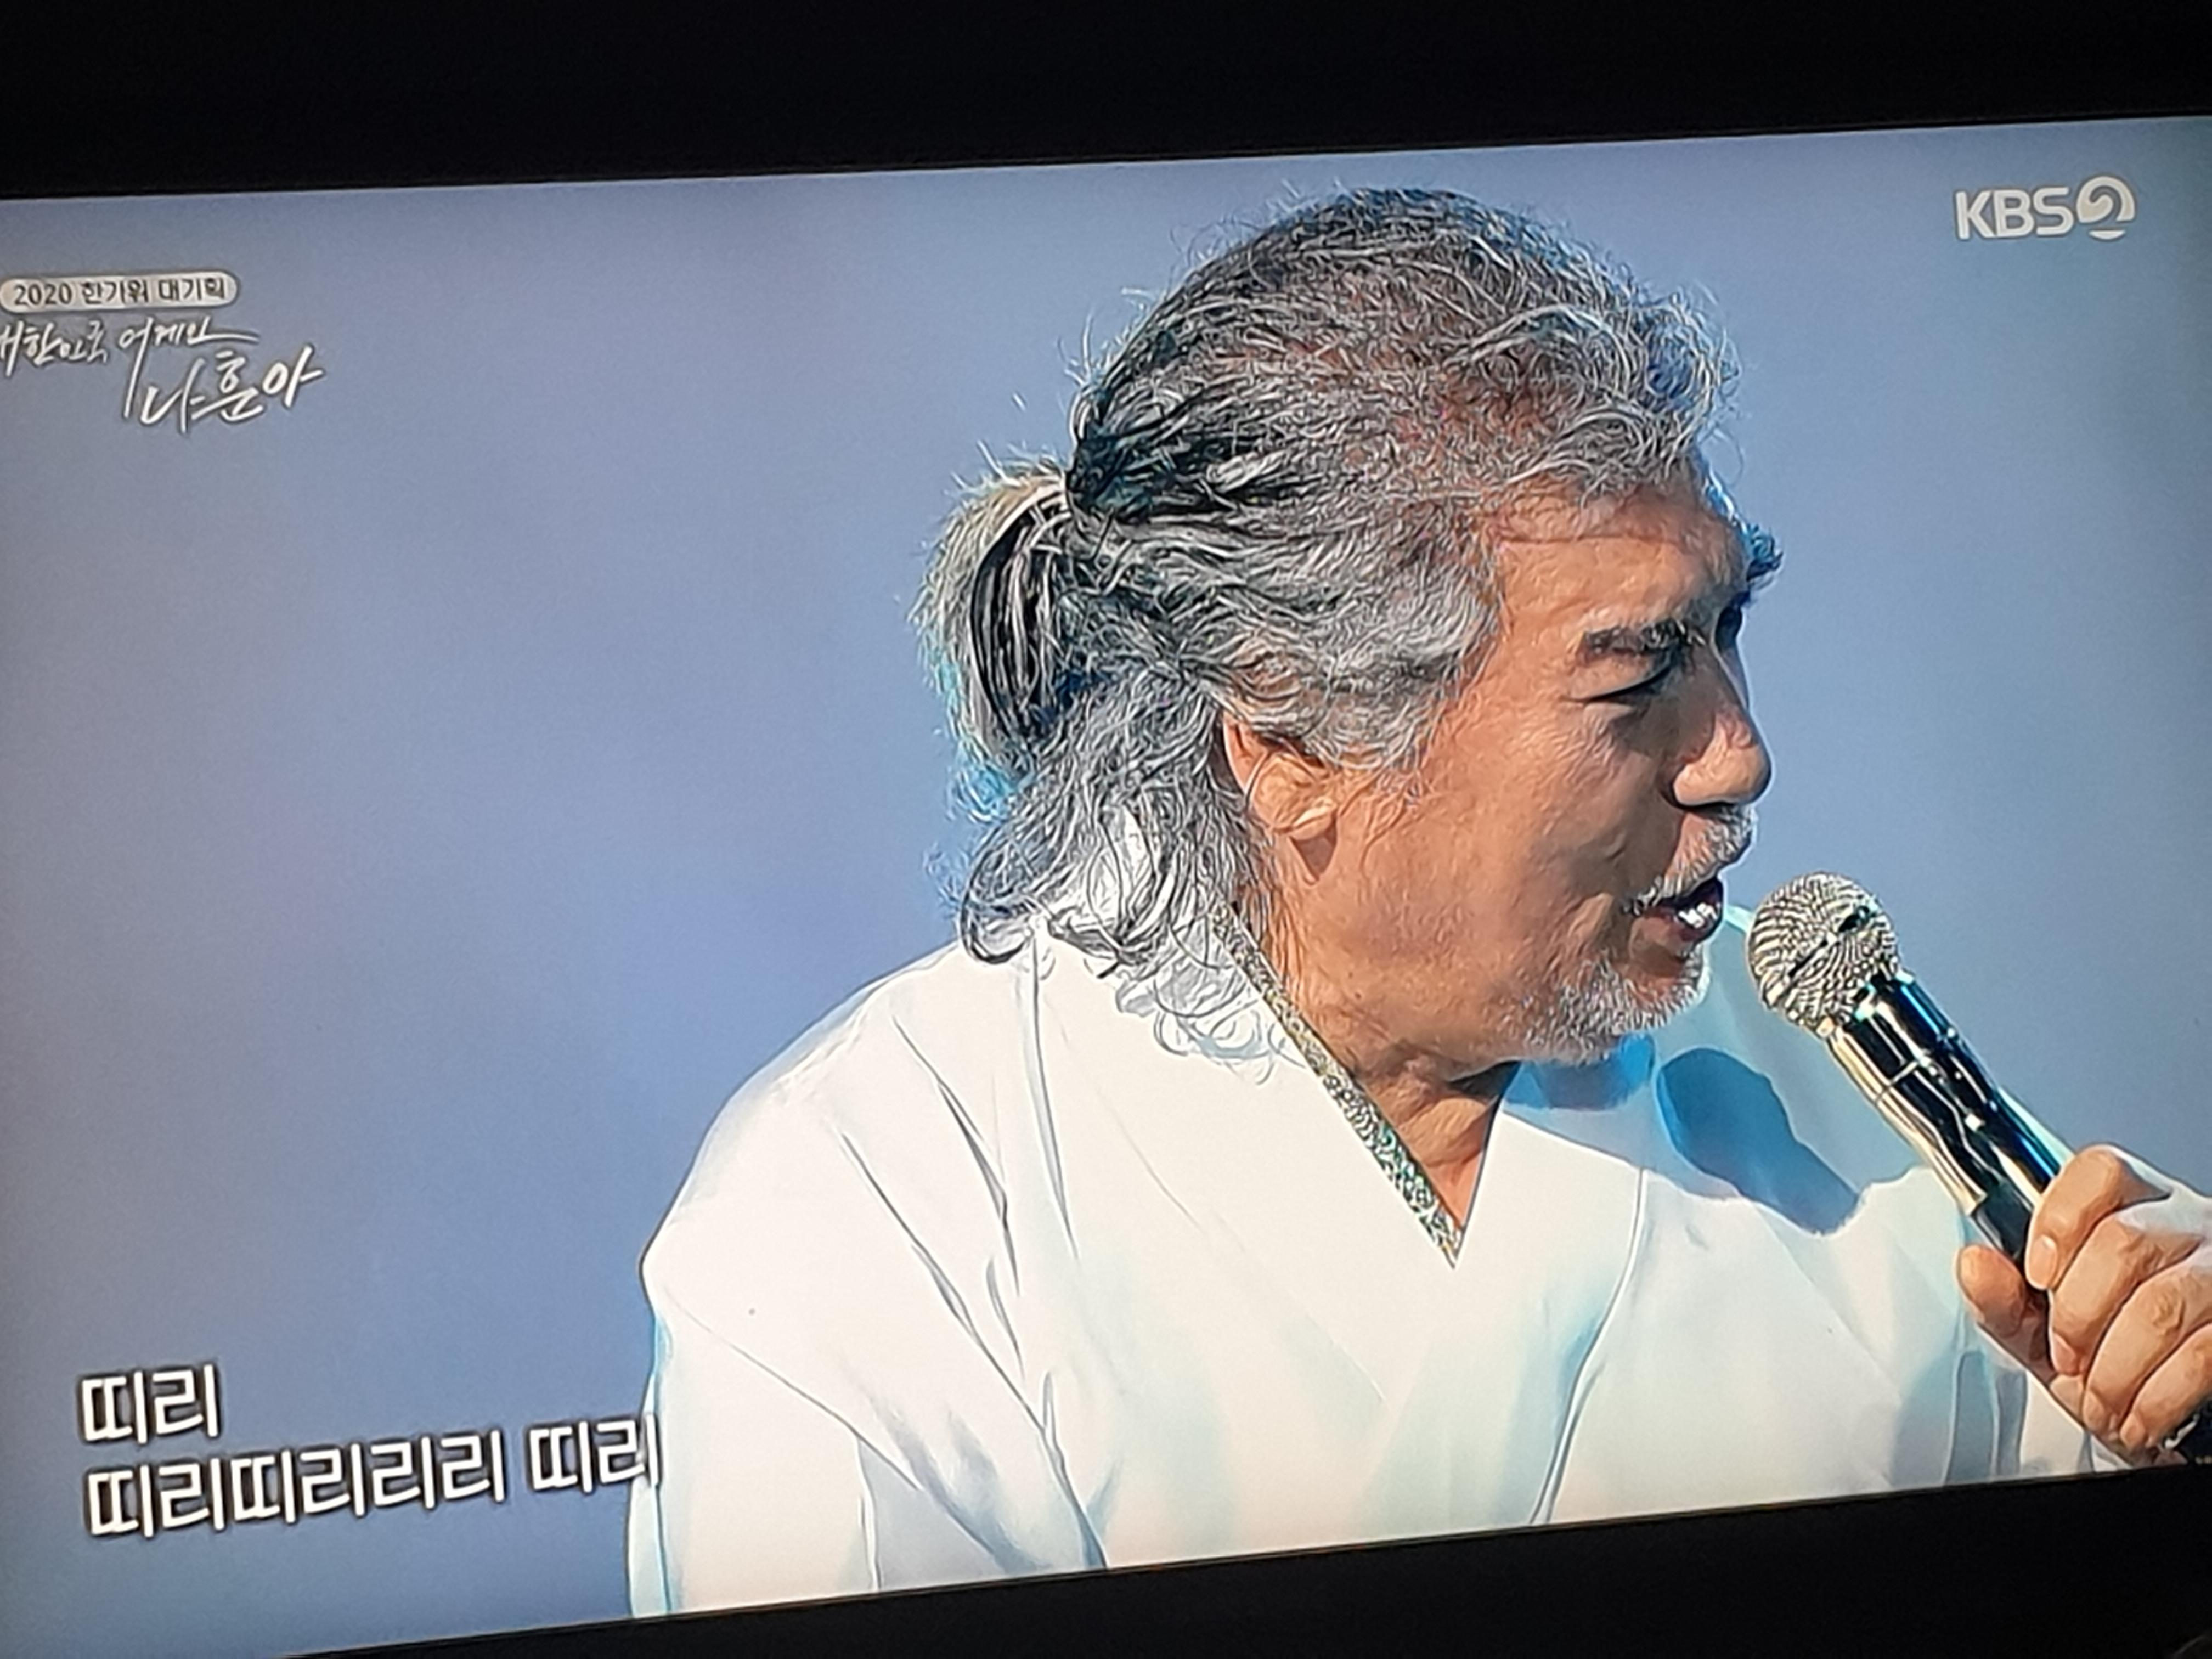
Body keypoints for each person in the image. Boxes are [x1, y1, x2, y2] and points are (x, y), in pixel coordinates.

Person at [626, 190, 2212, 1615]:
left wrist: (2164, 1411)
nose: (1740, 754)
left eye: (1728, 627)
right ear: (1295, 735)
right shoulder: (871, 1209)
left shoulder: (1837, 1082)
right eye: (1638, 676)